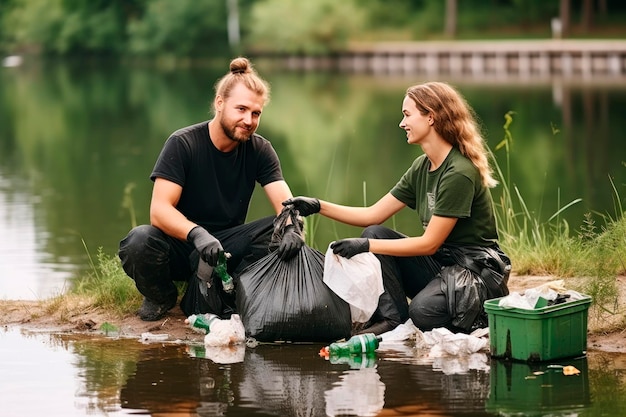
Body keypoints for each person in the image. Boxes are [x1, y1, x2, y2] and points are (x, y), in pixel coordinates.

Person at [284, 81, 511, 335]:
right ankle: (393, 319)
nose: (402, 123)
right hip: (442, 265)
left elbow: (429, 244)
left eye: (407, 115)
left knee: (423, 311)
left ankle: (477, 310)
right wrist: (317, 206)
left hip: (475, 274)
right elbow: (373, 214)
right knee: (374, 232)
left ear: (431, 117)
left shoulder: (459, 172)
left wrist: (366, 247)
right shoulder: (421, 167)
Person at [119, 57, 303, 321]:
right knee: (139, 241)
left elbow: (287, 204)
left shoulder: (261, 149)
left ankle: (235, 291)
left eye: (256, 113)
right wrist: (197, 234)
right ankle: (162, 296)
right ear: (219, 103)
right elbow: (159, 211)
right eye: (241, 109)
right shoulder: (182, 143)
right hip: (182, 245)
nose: (248, 120)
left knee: (277, 229)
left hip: (227, 249)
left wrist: (292, 229)